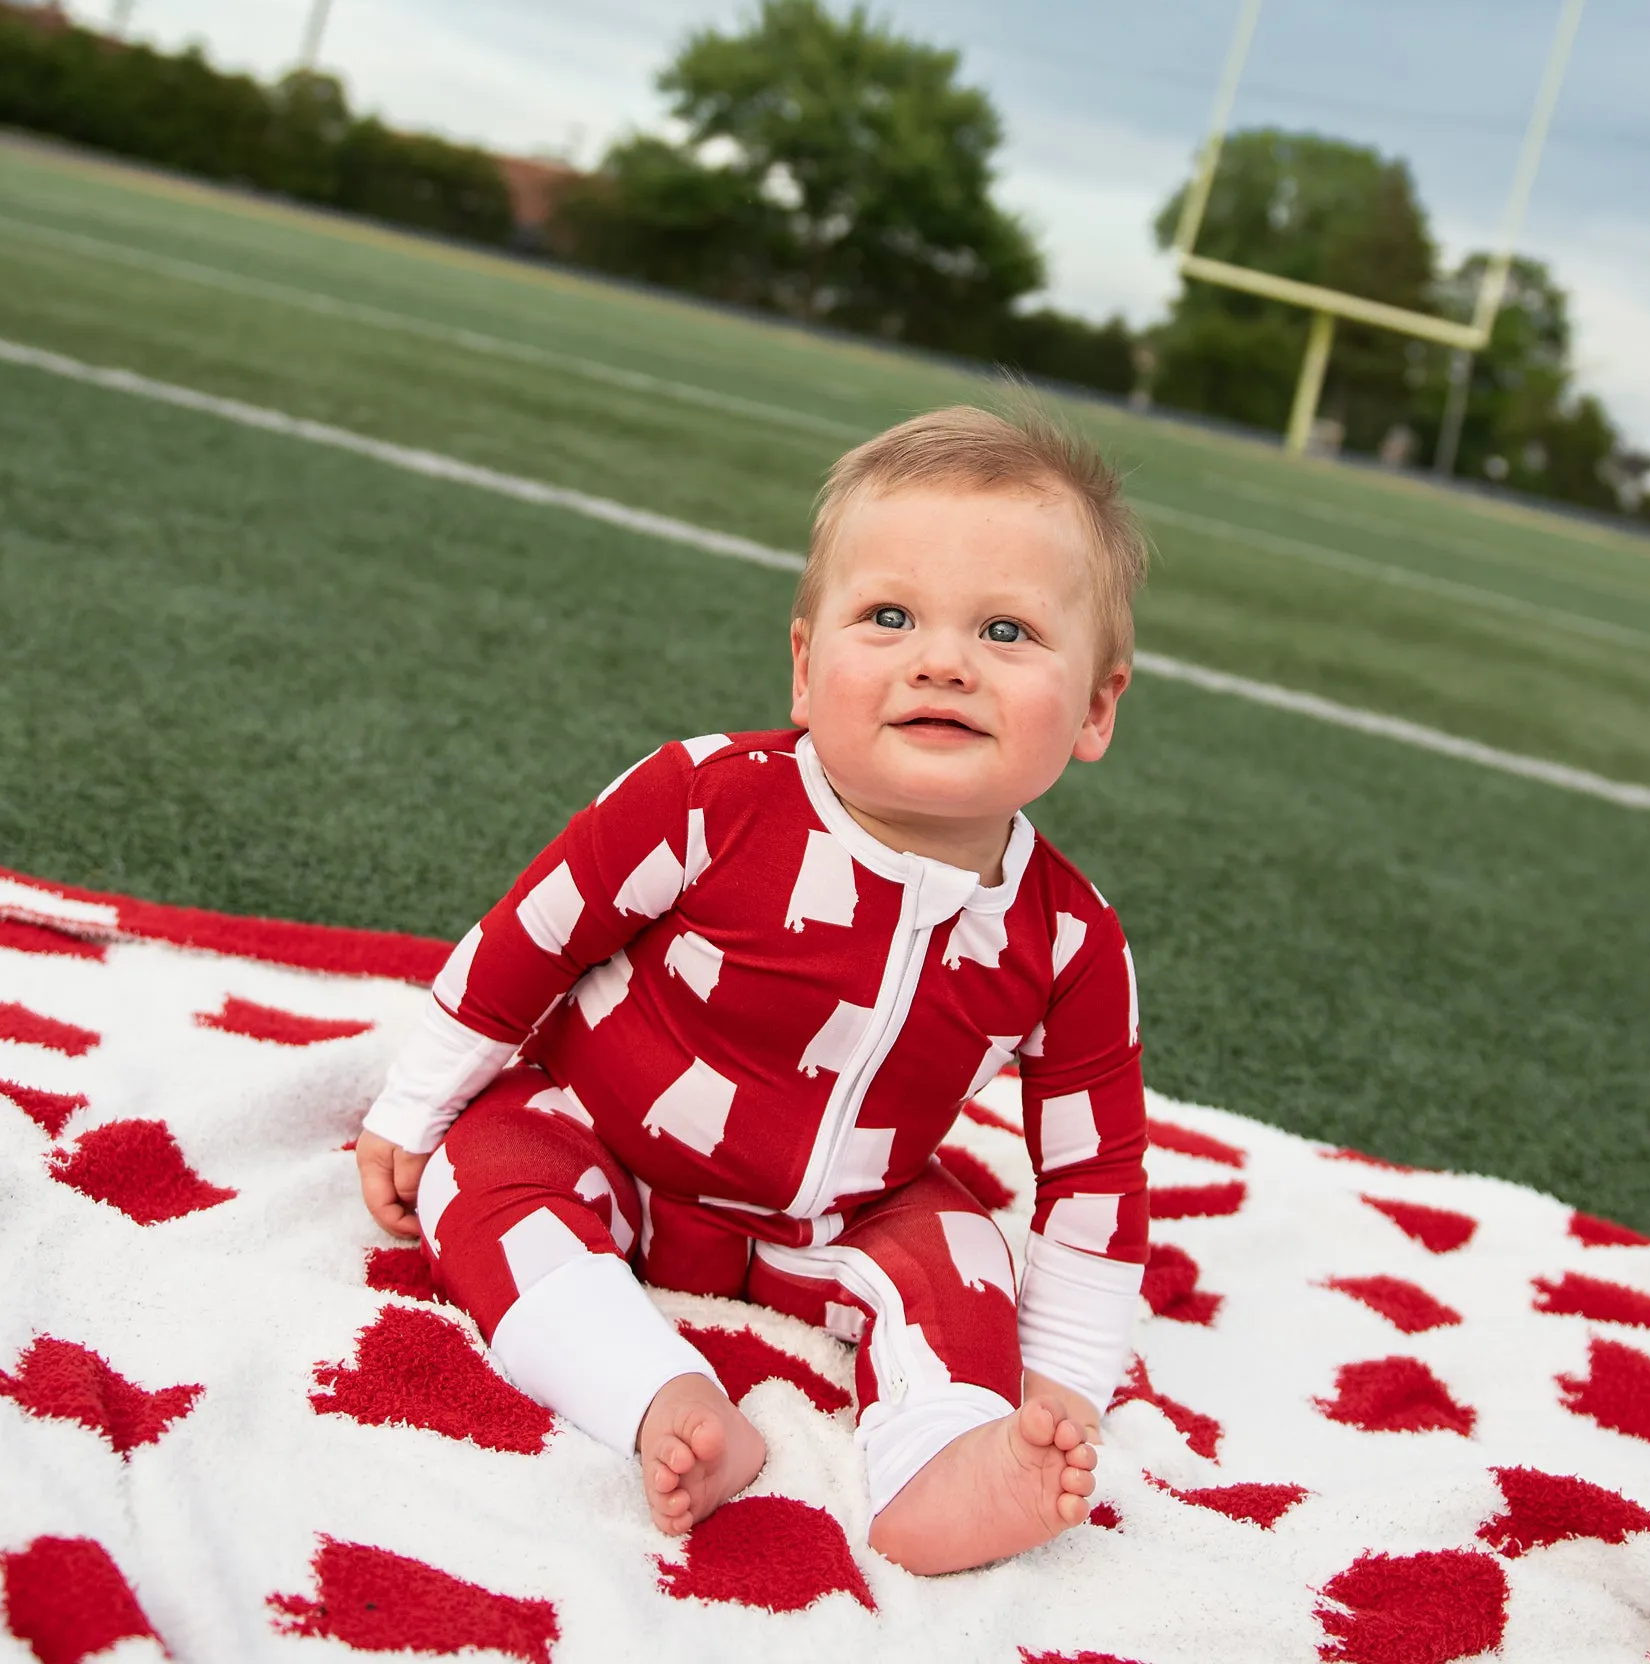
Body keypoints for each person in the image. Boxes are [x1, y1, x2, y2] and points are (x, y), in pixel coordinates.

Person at [355, 403, 1149, 1576]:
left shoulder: (1069, 938)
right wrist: (414, 1103)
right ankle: (660, 1394)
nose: (941, 659)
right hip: (607, 1142)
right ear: (800, 661)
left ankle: (944, 1462)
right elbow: (535, 935)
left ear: (1092, 708)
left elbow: (1093, 1174)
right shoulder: (705, 798)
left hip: (837, 1221)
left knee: (961, 1250)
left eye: (1005, 629)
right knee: (482, 1172)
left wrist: (1065, 1385)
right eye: (887, 616)